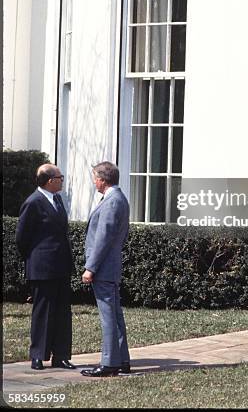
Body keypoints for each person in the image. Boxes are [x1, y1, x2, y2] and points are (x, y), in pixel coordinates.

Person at [15, 164, 75, 370]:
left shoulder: (57, 199)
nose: (62, 180)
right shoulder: (33, 203)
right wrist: (35, 259)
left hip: (61, 266)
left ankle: (61, 355)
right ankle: (38, 355)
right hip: (42, 267)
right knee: (43, 312)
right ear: (50, 180)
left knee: (62, 313)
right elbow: (21, 238)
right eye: (60, 177)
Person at [81, 161, 131, 377]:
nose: (94, 182)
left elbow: (103, 238)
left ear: (102, 179)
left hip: (104, 267)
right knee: (114, 314)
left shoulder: (112, 201)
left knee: (108, 316)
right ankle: (121, 360)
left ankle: (110, 363)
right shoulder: (117, 198)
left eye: (95, 178)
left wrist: (90, 267)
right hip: (109, 266)